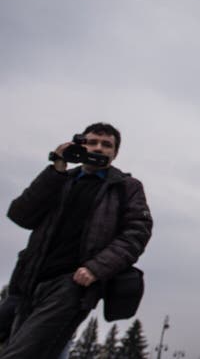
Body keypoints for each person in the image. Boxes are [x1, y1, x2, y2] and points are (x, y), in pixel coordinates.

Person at [1, 123, 153, 359]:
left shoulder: (125, 187)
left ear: (115, 152)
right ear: (79, 145)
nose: (98, 148)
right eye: (92, 142)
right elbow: (21, 215)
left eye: (106, 145)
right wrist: (56, 168)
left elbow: (136, 233)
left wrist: (96, 268)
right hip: (30, 281)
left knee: (22, 353)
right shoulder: (60, 178)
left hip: (72, 284)